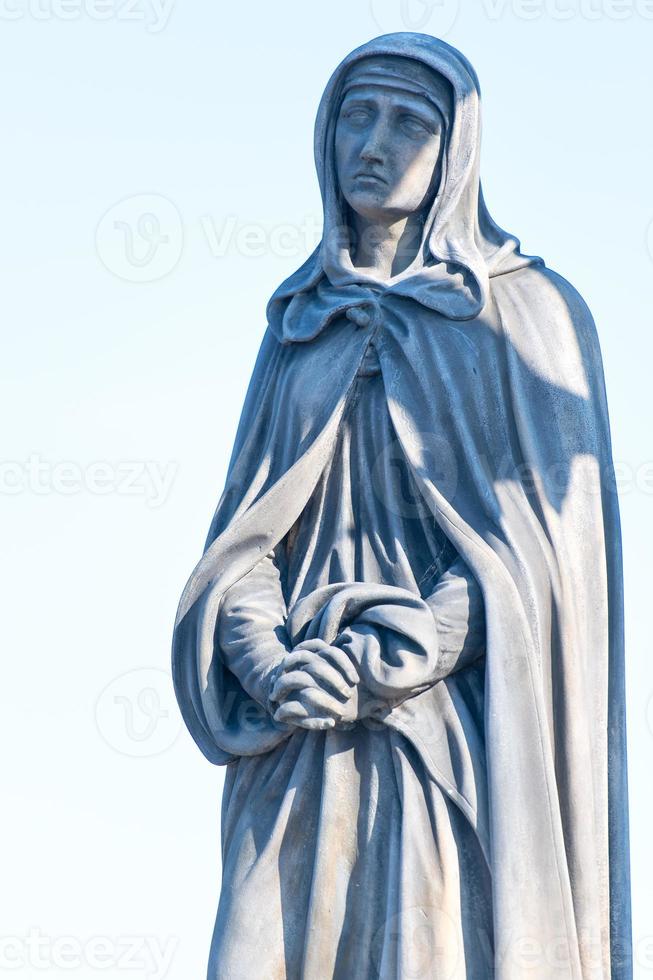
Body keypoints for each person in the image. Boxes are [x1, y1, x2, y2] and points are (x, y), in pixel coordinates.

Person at [173, 32, 631, 979]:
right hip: (296, 727)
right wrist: (265, 662)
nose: (372, 144)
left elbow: (546, 559)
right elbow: (245, 538)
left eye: (409, 123)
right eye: (356, 115)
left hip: (443, 734)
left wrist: (390, 656)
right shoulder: (302, 324)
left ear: (456, 151)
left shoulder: (528, 314)